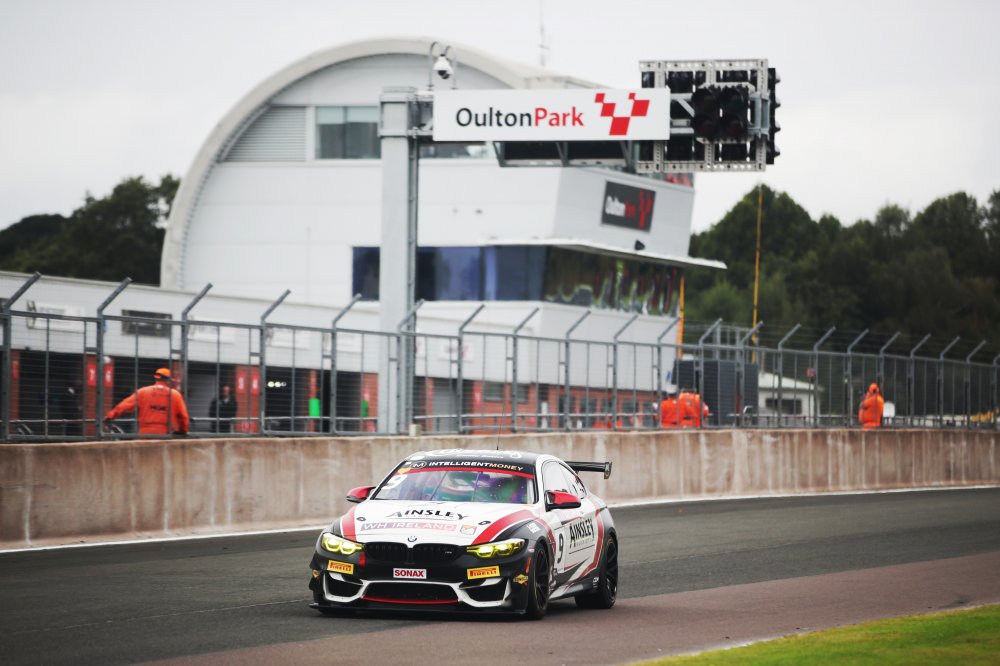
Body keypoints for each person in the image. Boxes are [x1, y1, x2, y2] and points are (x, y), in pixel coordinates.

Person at [104, 368, 189, 436]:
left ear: (156, 378)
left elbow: (125, 405)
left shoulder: (143, 392)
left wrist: (110, 416)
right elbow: (183, 417)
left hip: (145, 434)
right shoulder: (175, 395)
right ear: (168, 380)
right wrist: (182, 431)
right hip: (165, 434)